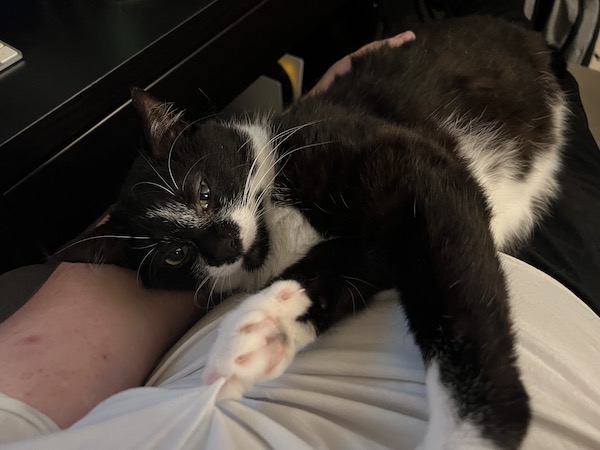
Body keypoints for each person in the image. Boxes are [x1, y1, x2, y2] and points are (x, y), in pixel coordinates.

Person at [1, 6, 599, 449]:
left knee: (414, 28)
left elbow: (421, 187)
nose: (219, 243)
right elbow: (402, 218)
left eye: (205, 199)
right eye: (184, 254)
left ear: (195, 133)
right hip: (544, 287)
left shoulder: (300, 159)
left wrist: (473, 409)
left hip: (493, 98)